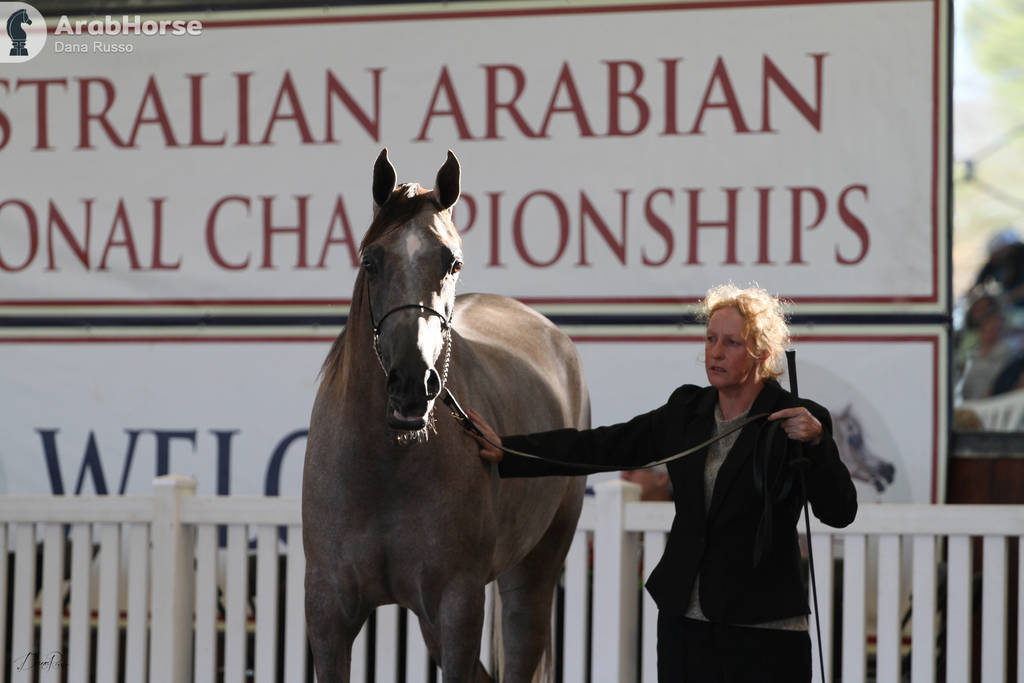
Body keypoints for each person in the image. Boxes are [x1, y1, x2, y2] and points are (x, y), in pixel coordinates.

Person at [465, 284, 857, 683]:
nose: (716, 352)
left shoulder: (798, 418)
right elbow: (604, 445)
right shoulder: (687, 411)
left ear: (762, 353)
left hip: (765, 629)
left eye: (732, 343)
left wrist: (820, 445)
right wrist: (509, 451)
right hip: (684, 622)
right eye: (710, 339)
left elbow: (840, 512)